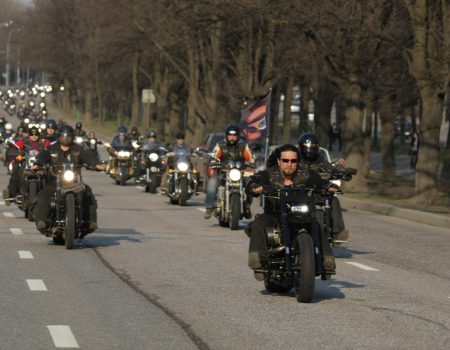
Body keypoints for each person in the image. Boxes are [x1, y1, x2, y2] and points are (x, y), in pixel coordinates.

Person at [245, 144, 336, 280]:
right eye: (285, 160)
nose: (289, 164)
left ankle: (327, 260)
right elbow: (254, 182)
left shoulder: (306, 174)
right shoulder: (269, 174)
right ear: (279, 161)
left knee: (316, 223)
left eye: (293, 161)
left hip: (301, 215)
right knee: (259, 222)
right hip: (275, 216)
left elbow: (319, 182)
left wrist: (328, 186)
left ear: (297, 162)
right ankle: (258, 260)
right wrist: (254, 187)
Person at [32, 125, 105, 234]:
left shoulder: (78, 149)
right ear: (58, 137)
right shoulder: (52, 148)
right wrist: (37, 164)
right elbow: (42, 156)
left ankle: (90, 221)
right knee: (43, 195)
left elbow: (88, 156)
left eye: (68, 137)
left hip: (75, 182)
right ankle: (42, 220)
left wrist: (96, 164)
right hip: (54, 181)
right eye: (63, 136)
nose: (65, 139)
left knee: (88, 193)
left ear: (72, 137)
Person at [298, 132, 348, 245]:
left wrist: (341, 172)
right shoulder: (296, 159)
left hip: (317, 188)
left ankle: (337, 232)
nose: (309, 151)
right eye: (306, 148)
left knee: (333, 199)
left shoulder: (319, 158)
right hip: (301, 191)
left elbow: (329, 167)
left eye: (312, 148)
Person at [203, 124, 254, 219]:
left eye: (234, 135)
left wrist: (251, 163)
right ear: (226, 135)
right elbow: (214, 156)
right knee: (212, 182)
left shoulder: (243, 145)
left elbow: (250, 157)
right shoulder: (220, 144)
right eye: (230, 135)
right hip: (224, 171)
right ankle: (209, 207)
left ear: (237, 136)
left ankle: (247, 206)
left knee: (249, 184)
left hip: (239, 172)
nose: (232, 137)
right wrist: (214, 162)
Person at [2, 127, 50, 205]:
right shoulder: (23, 142)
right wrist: (17, 154)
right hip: (26, 165)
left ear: (39, 134)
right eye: (32, 134)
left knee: (52, 176)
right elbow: (14, 147)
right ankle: (11, 195)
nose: (34, 136)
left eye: (36, 134)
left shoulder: (44, 142)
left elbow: (52, 148)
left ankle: (52, 196)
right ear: (29, 135)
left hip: (41, 166)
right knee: (16, 175)